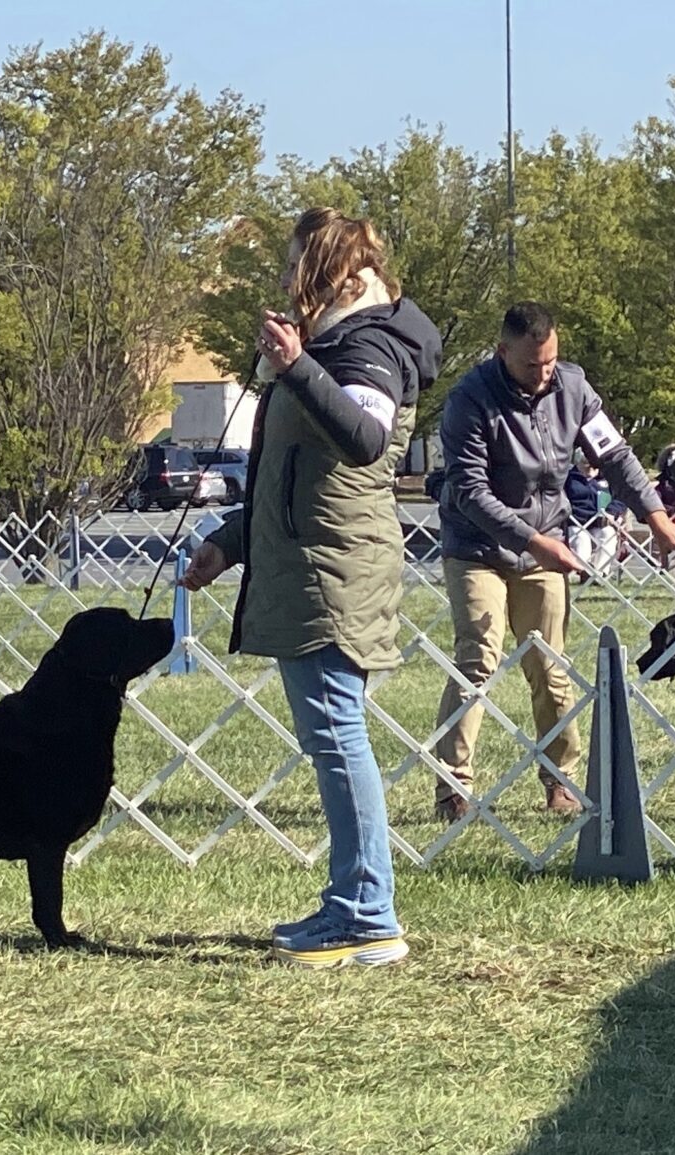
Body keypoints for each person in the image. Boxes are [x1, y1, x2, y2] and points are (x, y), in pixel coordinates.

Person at [182, 207, 442, 969]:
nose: (284, 279)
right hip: (309, 560)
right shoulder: (339, 344)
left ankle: (366, 912)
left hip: (335, 570)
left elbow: (361, 442)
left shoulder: (369, 347)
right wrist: (230, 543)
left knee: (336, 736)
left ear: (325, 267)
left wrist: (297, 365)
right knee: (333, 736)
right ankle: (357, 903)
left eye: (294, 263)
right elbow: (295, 476)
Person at [433, 302, 675, 822]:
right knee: (477, 660)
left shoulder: (573, 388)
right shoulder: (468, 400)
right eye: (532, 365)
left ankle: (559, 780)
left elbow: (615, 457)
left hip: (546, 543)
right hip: (478, 547)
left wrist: (657, 516)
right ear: (503, 352)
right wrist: (532, 540)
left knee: (549, 665)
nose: (543, 374)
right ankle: (451, 786)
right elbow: (468, 491)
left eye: (551, 362)